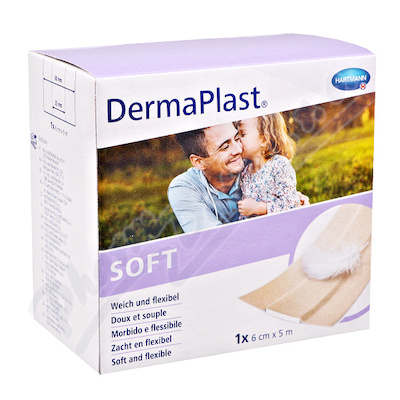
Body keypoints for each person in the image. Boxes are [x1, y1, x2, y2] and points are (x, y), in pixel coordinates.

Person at [167, 121, 308, 233]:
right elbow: (214, 243)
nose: (238, 150)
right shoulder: (183, 188)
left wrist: (294, 207)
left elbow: (288, 203)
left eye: (237, 138)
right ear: (199, 162)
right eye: (224, 147)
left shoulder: (254, 166)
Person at [237, 114, 300, 218]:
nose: (237, 139)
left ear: (264, 139)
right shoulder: (245, 172)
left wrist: (258, 208)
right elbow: (246, 211)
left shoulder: (279, 165)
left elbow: (292, 203)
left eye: (242, 134)